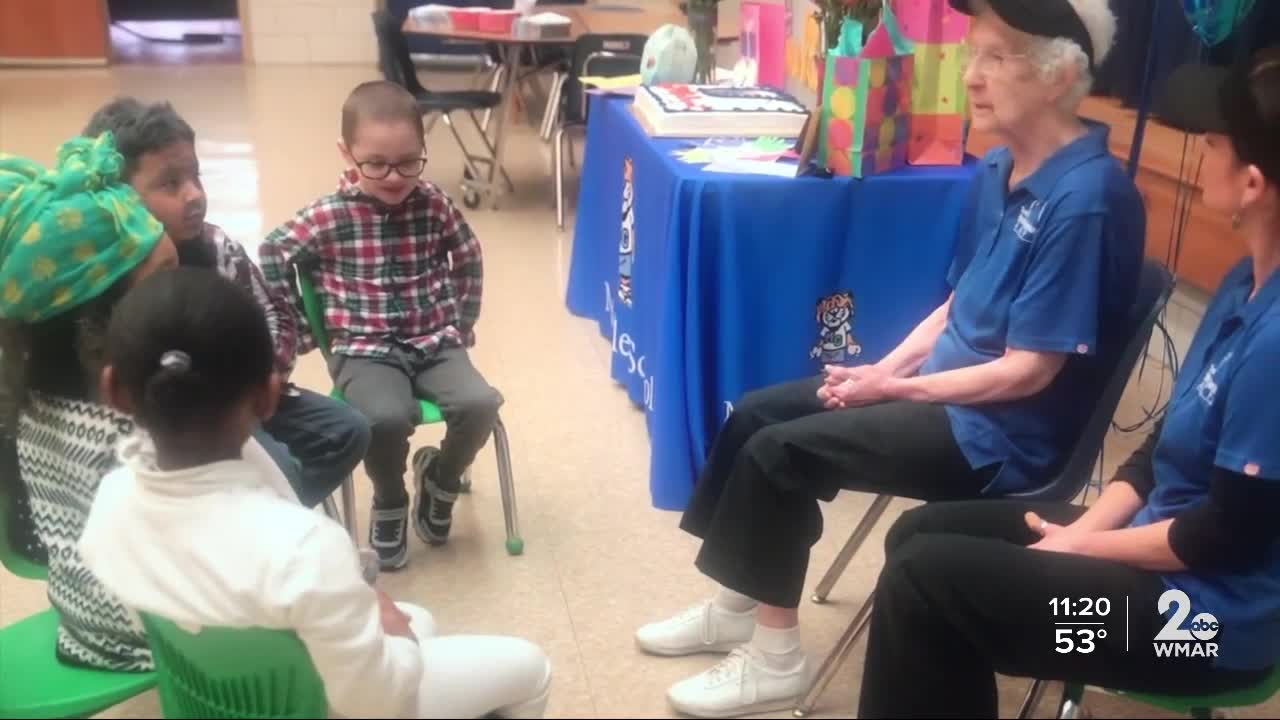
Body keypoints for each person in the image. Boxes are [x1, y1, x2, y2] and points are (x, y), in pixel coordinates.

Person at [635, 0, 1147, 716]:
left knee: (782, 453)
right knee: (755, 413)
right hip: (949, 395)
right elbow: (955, 306)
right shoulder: (998, 169)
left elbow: (1030, 372)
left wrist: (896, 392)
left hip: (1000, 436)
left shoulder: (1087, 199)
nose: (972, 76)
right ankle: (737, 604)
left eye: (997, 58)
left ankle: (775, 660)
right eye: (973, 54)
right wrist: (886, 371)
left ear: (1060, 77)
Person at [858, 46, 1280, 719]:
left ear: (1253, 181)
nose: (1201, 151)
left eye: (1212, 142)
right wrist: (1080, 538)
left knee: (925, 585)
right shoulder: (1241, 285)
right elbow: (1158, 449)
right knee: (920, 537)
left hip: (1200, 629)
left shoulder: (1275, 341)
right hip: (1157, 557)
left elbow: (1221, 539)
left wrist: (1079, 547)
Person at [79, 268, 552, 719]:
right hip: (322, 706)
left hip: (217, 695)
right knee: (529, 667)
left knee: (420, 618)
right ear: (268, 396)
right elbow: (376, 702)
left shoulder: (109, 503)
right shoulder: (304, 549)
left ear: (114, 390)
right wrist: (397, 641)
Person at [80, 98, 371, 509]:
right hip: (164, 423)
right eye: (170, 184)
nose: (194, 195)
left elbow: (273, 316)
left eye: (195, 176)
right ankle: (250, 523)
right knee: (280, 468)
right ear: (118, 196)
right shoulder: (105, 274)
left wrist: (255, 380)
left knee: (348, 429)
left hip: (240, 399)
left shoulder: (217, 247)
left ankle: (248, 522)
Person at [259, 80, 500, 571]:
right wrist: (304, 330)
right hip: (363, 349)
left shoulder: (433, 202)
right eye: (376, 164)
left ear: (423, 151)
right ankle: (390, 497)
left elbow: (468, 253)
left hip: (433, 339)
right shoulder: (328, 216)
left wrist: (462, 320)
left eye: (408, 162)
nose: (393, 177)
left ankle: (442, 478)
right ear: (347, 154)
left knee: (480, 404)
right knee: (385, 418)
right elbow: (272, 253)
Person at [0, 132, 179, 670]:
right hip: (155, 637)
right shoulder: (134, 431)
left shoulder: (33, 404)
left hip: (82, 623)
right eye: (166, 279)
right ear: (102, 317)